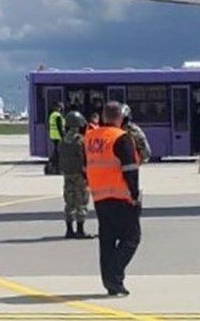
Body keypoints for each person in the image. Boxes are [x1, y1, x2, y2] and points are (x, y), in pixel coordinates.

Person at [86, 101, 142, 296]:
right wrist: (134, 194)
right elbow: (130, 169)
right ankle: (114, 276)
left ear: (103, 116)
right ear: (120, 117)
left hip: (99, 196)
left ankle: (110, 283)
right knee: (132, 238)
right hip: (121, 196)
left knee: (107, 240)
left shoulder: (91, 137)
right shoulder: (121, 138)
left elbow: (87, 165)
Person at [60, 111, 91, 239]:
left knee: (69, 201)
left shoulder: (63, 141)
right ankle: (80, 230)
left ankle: (69, 230)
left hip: (67, 174)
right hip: (80, 174)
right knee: (81, 201)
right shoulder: (80, 141)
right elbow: (85, 157)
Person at [48, 102, 66, 173]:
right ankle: (56, 166)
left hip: (53, 135)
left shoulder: (52, 115)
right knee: (58, 152)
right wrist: (63, 136)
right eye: (61, 107)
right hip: (58, 136)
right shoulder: (58, 116)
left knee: (55, 151)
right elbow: (60, 127)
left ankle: (52, 164)